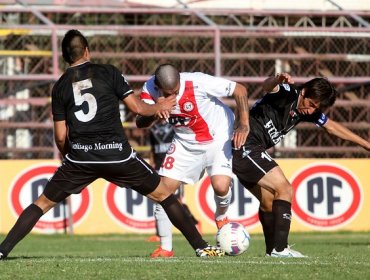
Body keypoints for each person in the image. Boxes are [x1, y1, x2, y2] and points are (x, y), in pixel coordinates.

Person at [0, 30, 225, 260]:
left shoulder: (59, 87)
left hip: (81, 159)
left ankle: (2, 250)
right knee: (165, 195)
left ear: (64, 56)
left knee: (42, 203)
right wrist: (160, 106)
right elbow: (137, 109)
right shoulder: (109, 72)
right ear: (87, 50)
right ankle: (201, 247)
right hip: (118, 155)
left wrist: (73, 157)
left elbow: (60, 136)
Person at [232, 73, 370, 258]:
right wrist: (277, 78)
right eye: (312, 104)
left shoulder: (306, 111)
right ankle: (281, 249)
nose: (312, 110)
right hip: (245, 145)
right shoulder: (288, 93)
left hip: (251, 149)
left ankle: (271, 251)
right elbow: (268, 86)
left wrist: (366, 145)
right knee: (285, 189)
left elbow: (332, 127)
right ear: (304, 92)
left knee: (268, 202)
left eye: (317, 108)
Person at [136, 64, 250, 257]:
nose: (175, 94)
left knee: (221, 186)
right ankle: (166, 247)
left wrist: (244, 124)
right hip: (185, 141)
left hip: (217, 136)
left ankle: (221, 217)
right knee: (162, 190)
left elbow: (240, 89)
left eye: (177, 90)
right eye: (169, 92)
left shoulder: (197, 81)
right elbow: (140, 122)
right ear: (159, 86)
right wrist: (156, 110)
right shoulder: (149, 89)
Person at [147, 120, 201, 246]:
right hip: (158, 168)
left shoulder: (173, 126)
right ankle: (158, 233)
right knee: (159, 200)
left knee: (177, 200)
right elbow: (152, 149)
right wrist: (151, 163)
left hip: (174, 169)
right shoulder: (153, 129)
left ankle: (195, 223)